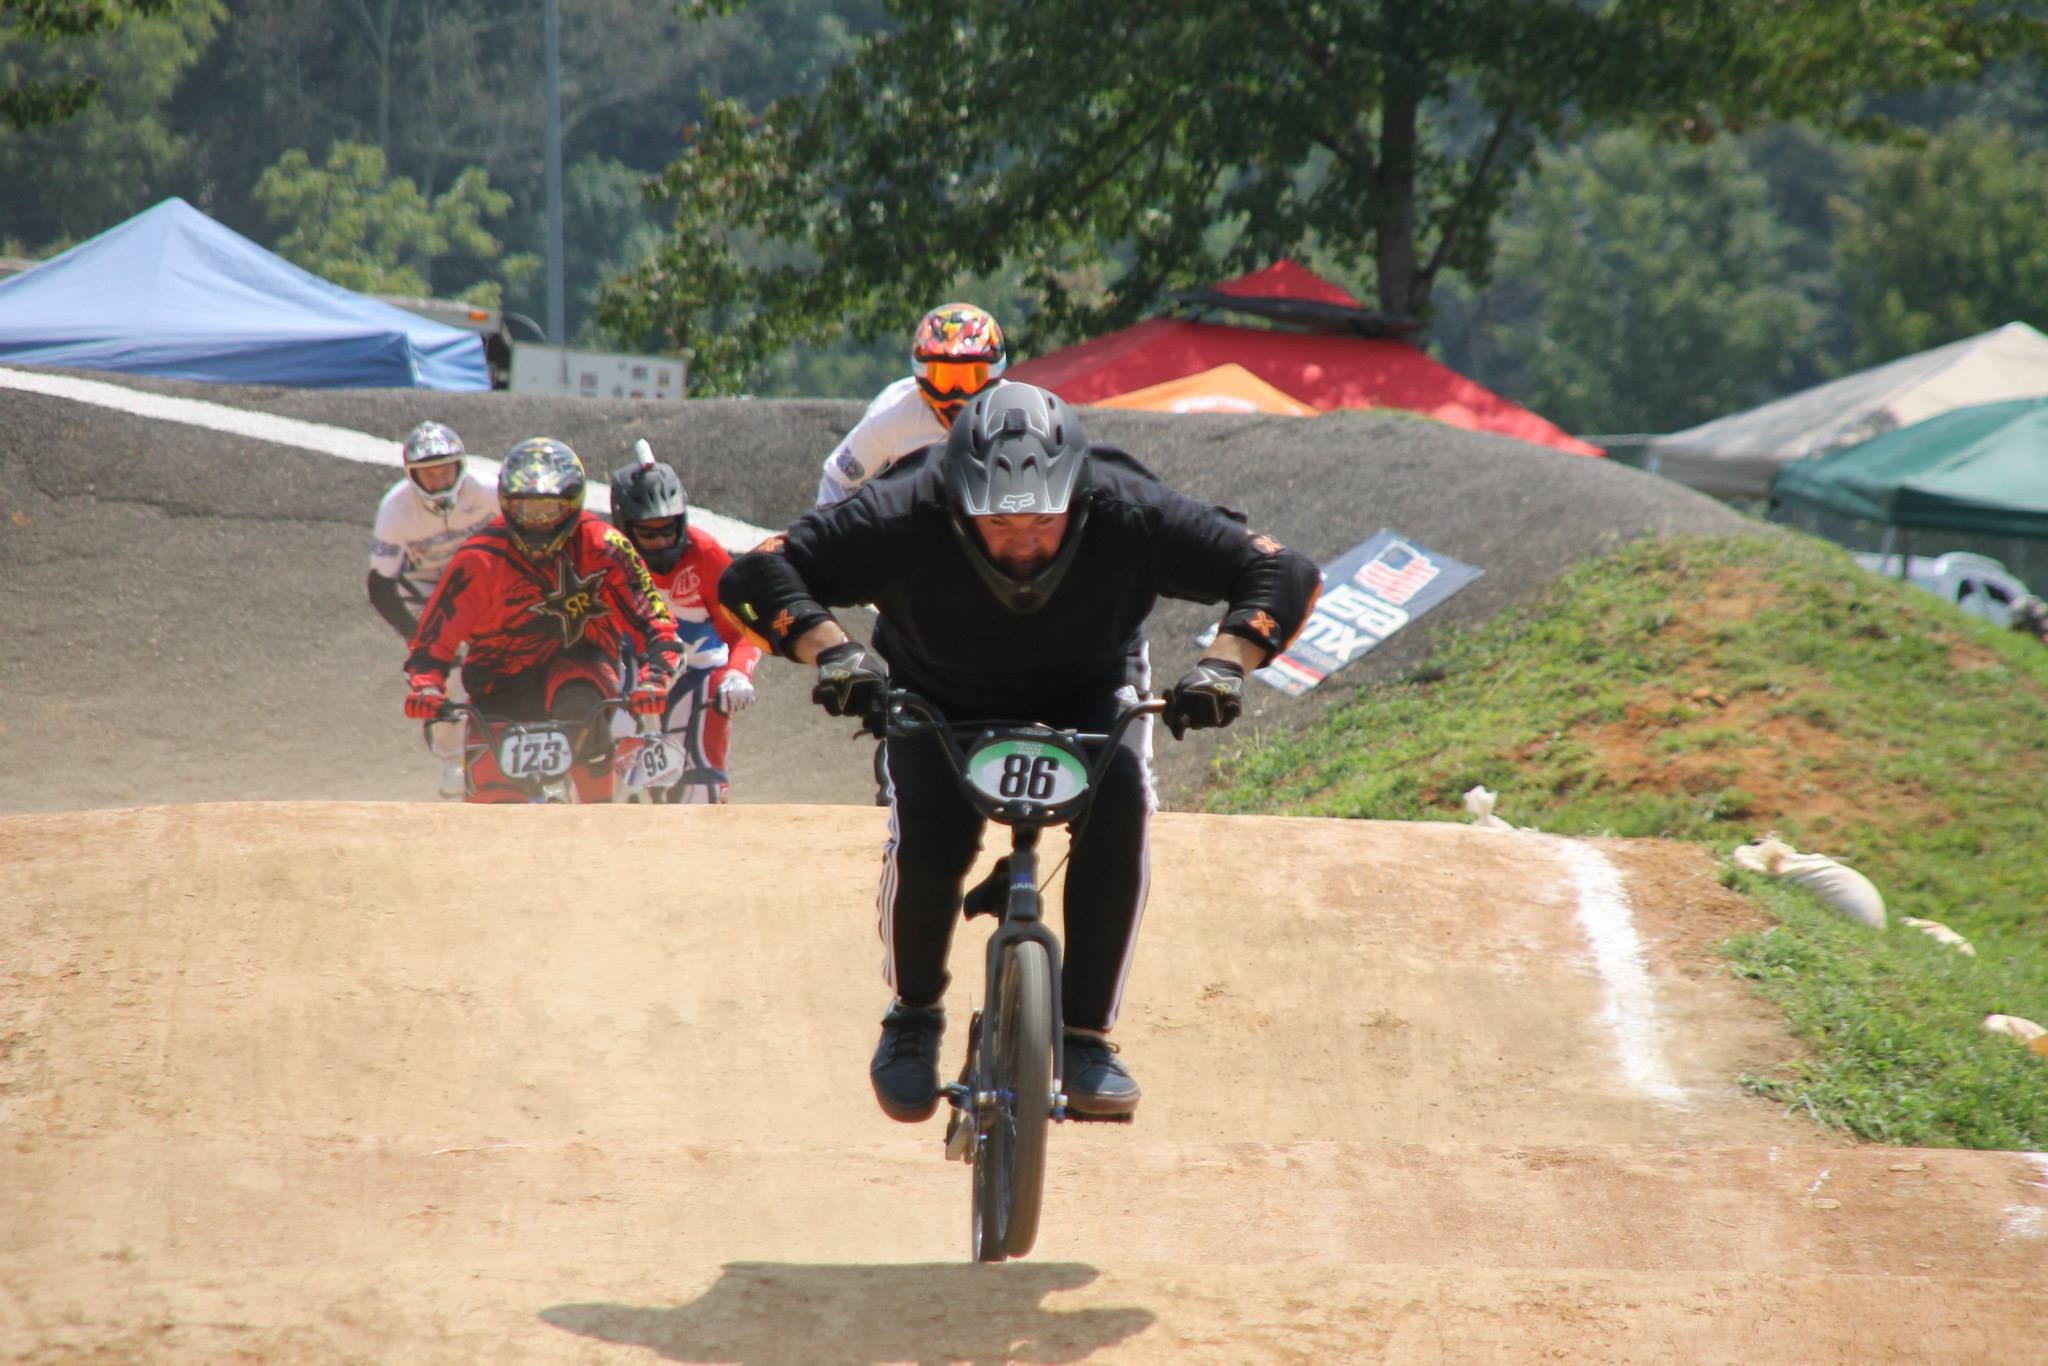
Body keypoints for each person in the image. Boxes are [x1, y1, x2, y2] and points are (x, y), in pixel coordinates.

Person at [721, 380, 1320, 1123]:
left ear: (1080, 498)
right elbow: (756, 572)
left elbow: (1281, 569)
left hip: (1089, 685)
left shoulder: (1128, 508)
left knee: (1121, 806)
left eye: (1045, 521)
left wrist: (1224, 665)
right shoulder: (901, 511)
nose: (1025, 543)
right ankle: (912, 1016)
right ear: (956, 504)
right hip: (936, 691)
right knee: (930, 837)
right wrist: (835, 654)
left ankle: (1086, 1037)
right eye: (999, 524)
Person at [403, 437, 681, 804]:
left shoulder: (607, 547)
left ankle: (599, 814)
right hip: (498, 680)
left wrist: (654, 679)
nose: (537, 522)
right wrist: (426, 687)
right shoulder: (477, 559)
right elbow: (432, 640)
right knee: (489, 805)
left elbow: (655, 622)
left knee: (579, 703)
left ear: (572, 505)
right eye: (526, 510)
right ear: (506, 504)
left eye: (548, 510)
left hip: (582, 666)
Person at [608, 441, 762, 803]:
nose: (662, 542)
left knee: (699, 782)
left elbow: (747, 627)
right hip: (629, 669)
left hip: (698, 672)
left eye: (669, 529)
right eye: (648, 533)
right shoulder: (604, 554)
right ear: (624, 526)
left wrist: (738, 674)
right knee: (607, 742)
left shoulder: (706, 554)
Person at [368, 421, 497, 796]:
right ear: (412, 476)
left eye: (446, 470)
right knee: (444, 669)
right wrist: (417, 639)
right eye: (429, 474)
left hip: (484, 581)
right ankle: (452, 758)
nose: (440, 481)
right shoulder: (394, 510)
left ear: (461, 467)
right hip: (425, 590)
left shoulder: (489, 490)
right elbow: (380, 586)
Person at [814, 302, 1007, 508]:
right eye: (943, 377)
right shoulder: (893, 411)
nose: (957, 393)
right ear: (921, 372)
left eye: (972, 377)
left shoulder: (1019, 413)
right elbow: (838, 481)